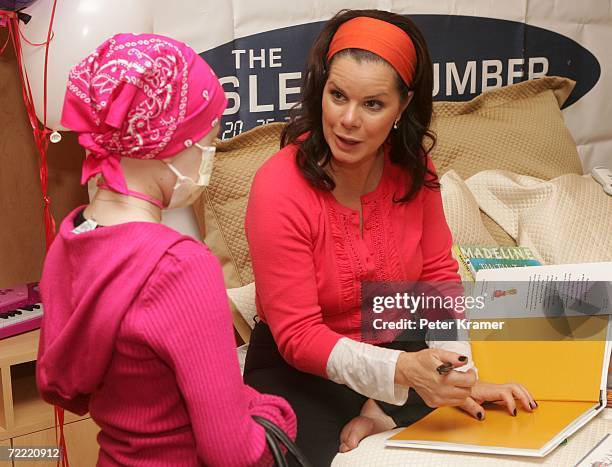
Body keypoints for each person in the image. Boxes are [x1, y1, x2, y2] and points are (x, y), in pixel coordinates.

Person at [244, 9, 535, 466]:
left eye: (373, 104)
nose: (348, 120)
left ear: (403, 106)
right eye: (337, 96)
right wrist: (407, 374)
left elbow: (438, 274)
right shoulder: (277, 185)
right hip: (301, 371)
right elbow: (298, 336)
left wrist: (456, 374)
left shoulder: (415, 166)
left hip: (401, 343)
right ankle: (386, 407)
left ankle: (380, 411)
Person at [36, 33, 296, 467]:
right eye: (208, 142)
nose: (208, 156)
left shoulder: (70, 239)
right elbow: (233, 453)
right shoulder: (179, 267)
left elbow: (67, 388)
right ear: (173, 143)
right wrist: (277, 412)